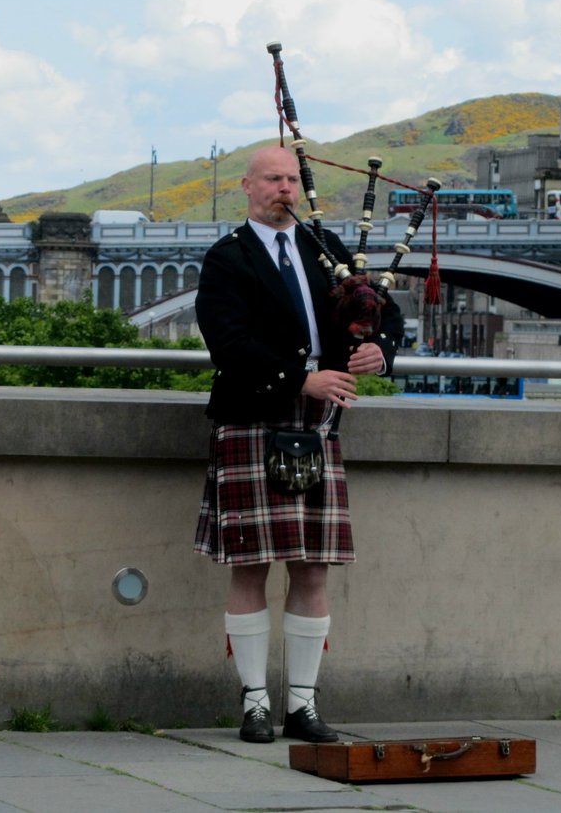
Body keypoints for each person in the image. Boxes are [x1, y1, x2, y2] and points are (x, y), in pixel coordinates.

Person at [193, 145, 403, 744]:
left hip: (317, 425)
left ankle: (303, 706)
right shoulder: (228, 258)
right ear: (248, 186)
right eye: (272, 179)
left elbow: (382, 311)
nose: (285, 188)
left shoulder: (324, 248)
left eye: (291, 178)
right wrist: (299, 378)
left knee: (312, 569)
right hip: (251, 416)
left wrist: (380, 350)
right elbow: (228, 344)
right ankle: (255, 704)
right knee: (250, 566)